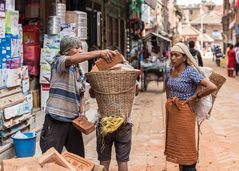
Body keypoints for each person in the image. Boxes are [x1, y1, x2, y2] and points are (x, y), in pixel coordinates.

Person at [40, 36, 115, 157]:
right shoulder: (59, 61)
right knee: (50, 160)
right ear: (66, 50)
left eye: (81, 47)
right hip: (55, 120)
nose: (80, 50)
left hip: (73, 122)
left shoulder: (78, 69)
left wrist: (82, 113)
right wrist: (99, 52)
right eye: (76, 48)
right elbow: (73, 59)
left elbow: (80, 95)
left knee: (79, 158)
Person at [164, 42, 217, 171]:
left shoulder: (190, 72)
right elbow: (168, 88)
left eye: (176, 55)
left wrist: (195, 97)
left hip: (185, 113)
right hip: (173, 113)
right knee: (177, 149)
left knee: (186, 148)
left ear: (184, 57)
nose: (173, 58)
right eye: (172, 55)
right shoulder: (171, 70)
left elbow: (212, 87)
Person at [89, 56, 139, 171]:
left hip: (104, 122)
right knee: (122, 160)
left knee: (104, 160)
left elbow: (92, 94)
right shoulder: (129, 72)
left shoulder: (100, 74)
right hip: (124, 122)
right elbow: (136, 92)